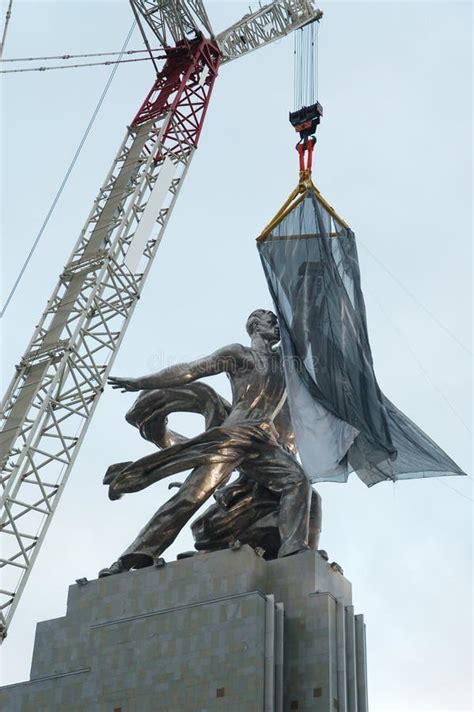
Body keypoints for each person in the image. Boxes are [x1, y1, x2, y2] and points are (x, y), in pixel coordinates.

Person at [99, 309, 313, 577]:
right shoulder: (239, 355)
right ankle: (133, 557)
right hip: (234, 434)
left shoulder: (285, 360)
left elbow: (309, 327)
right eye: (272, 322)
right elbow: (190, 371)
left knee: (297, 480)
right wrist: (142, 381)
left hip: (264, 440)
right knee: (191, 495)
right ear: (255, 327)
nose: (278, 327)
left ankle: (293, 548)